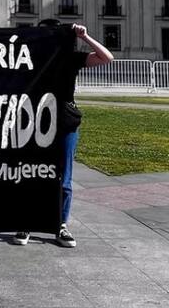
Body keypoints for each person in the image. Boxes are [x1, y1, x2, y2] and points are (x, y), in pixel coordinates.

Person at [13, 21, 113, 248]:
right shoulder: (29, 59)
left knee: (64, 178)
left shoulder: (71, 58)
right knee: (32, 173)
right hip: (35, 123)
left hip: (66, 122)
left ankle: (61, 224)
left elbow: (107, 58)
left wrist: (84, 37)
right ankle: (27, 222)